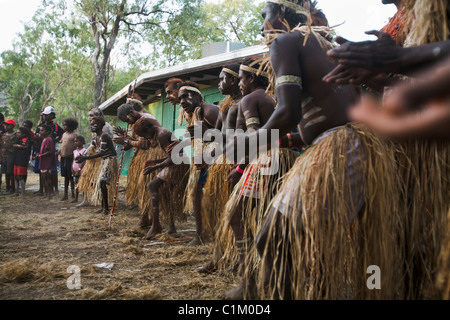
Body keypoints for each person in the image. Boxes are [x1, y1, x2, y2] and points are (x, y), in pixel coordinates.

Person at [235, 0, 406, 300]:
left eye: (264, 16)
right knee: (305, 246)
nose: (262, 26)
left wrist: (253, 142)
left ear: (282, 14)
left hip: (340, 149)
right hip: (356, 147)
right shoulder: (323, 44)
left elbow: (288, 112)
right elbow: (317, 119)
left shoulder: (287, 43)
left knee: (273, 239)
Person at [176, 81, 219, 246]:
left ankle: (213, 232)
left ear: (197, 96)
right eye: (180, 99)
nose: (182, 102)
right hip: (203, 159)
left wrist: (209, 158)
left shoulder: (209, 111)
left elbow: (229, 136)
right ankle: (201, 234)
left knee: (212, 196)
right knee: (195, 193)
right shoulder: (192, 114)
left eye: (186, 97)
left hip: (219, 158)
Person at [133, 117, 189, 239]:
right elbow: (170, 155)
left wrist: (156, 167)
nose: (146, 138)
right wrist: (155, 161)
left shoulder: (161, 135)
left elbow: (174, 158)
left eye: (144, 135)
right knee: (165, 193)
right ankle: (171, 227)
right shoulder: (159, 133)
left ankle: (156, 225)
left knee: (152, 185)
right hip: (177, 161)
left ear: (148, 128)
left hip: (179, 164)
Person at [114, 103, 162, 228]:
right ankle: (145, 217)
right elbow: (136, 142)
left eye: (127, 119)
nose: (128, 123)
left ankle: (151, 219)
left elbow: (146, 143)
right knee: (142, 189)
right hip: (142, 157)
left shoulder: (145, 119)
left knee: (146, 188)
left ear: (131, 112)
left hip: (151, 157)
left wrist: (127, 141)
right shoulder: (136, 121)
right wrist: (126, 138)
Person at [75, 116, 118, 215]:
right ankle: (104, 207)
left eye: (95, 124)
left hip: (110, 161)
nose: (93, 126)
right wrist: (82, 156)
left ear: (101, 125)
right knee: (99, 183)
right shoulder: (95, 138)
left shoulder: (104, 136)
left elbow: (101, 153)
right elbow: (90, 150)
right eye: (91, 124)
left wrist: (85, 158)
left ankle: (106, 208)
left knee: (102, 182)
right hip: (103, 161)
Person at [35, 106, 64, 195]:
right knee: (42, 170)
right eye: (44, 115)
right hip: (40, 149)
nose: (45, 117)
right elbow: (36, 135)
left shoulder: (55, 126)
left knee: (52, 170)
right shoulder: (40, 126)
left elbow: (62, 134)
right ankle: (41, 189)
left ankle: (54, 189)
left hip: (50, 150)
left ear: (52, 115)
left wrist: (55, 139)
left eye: (47, 115)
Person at [59, 117, 78, 201]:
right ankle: (65, 194)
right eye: (63, 125)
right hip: (63, 157)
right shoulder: (64, 134)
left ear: (71, 126)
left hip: (71, 158)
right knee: (65, 176)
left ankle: (73, 194)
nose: (64, 127)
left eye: (66, 125)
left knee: (71, 177)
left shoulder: (75, 135)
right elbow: (63, 143)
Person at [38, 124, 56, 200]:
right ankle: (46, 194)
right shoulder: (44, 139)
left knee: (47, 178)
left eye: (42, 130)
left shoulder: (49, 140)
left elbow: (51, 151)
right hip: (43, 161)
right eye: (40, 130)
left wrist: (41, 155)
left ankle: (49, 194)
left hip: (47, 162)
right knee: (43, 178)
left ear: (48, 131)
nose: (40, 132)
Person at [12, 127, 32, 196]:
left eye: (19, 132)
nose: (17, 134)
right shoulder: (18, 139)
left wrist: (17, 146)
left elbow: (25, 146)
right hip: (16, 160)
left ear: (23, 134)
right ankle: (16, 191)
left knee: (20, 176)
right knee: (15, 176)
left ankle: (23, 192)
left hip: (22, 160)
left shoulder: (26, 140)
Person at [1, 119, 17, 195]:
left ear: (12, 126)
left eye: (7, 125)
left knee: (11, 173)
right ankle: (7, 187)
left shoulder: (15, 135)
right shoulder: (3, 135)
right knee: (6, 173)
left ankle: (12, 187)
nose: (6, 126)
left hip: (11, 156)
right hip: (4, 156)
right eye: (5, 125)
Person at [71, 135, 87, 203]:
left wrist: (80, 169)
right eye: (74, 141)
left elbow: (85, 161)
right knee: (76, 184)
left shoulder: (84, 151)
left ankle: (84, 198)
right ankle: (76, 197)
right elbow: (73, 160)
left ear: (82, 142)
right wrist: (72, 169)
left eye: (77, 141)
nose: (75, 143)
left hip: (81, 170)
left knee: (83, 183)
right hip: (75, 170)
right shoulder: (74, 151)